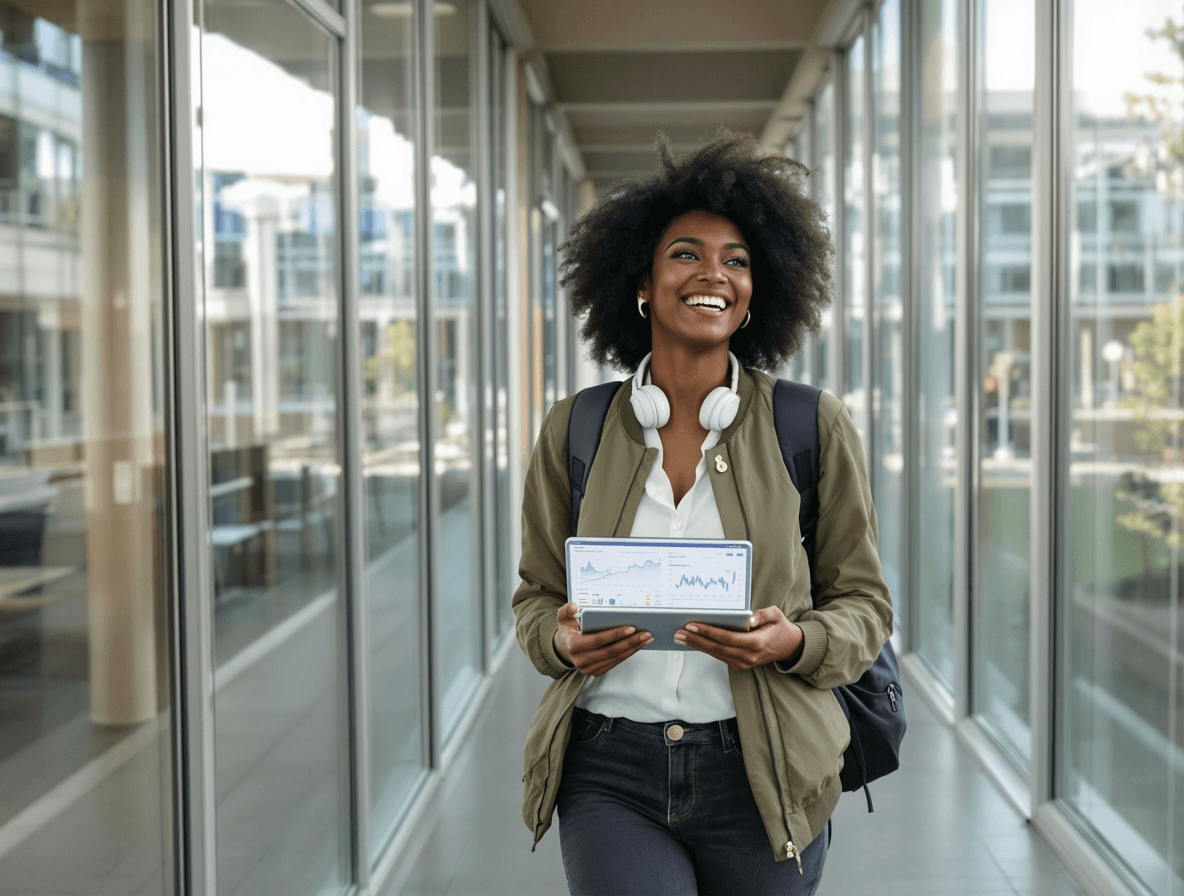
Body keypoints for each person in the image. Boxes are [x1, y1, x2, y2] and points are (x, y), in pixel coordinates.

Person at [512, 132, 893, 896]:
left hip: (766, 766)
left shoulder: (809, 425)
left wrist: (796, 640)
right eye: (686, 253)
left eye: (738, 260)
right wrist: (559, 642)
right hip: (609, 767)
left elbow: (865, 605)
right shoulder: (575, 428)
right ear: (642, 283)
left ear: (757, 291)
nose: (715, 272)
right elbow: (536, 597)